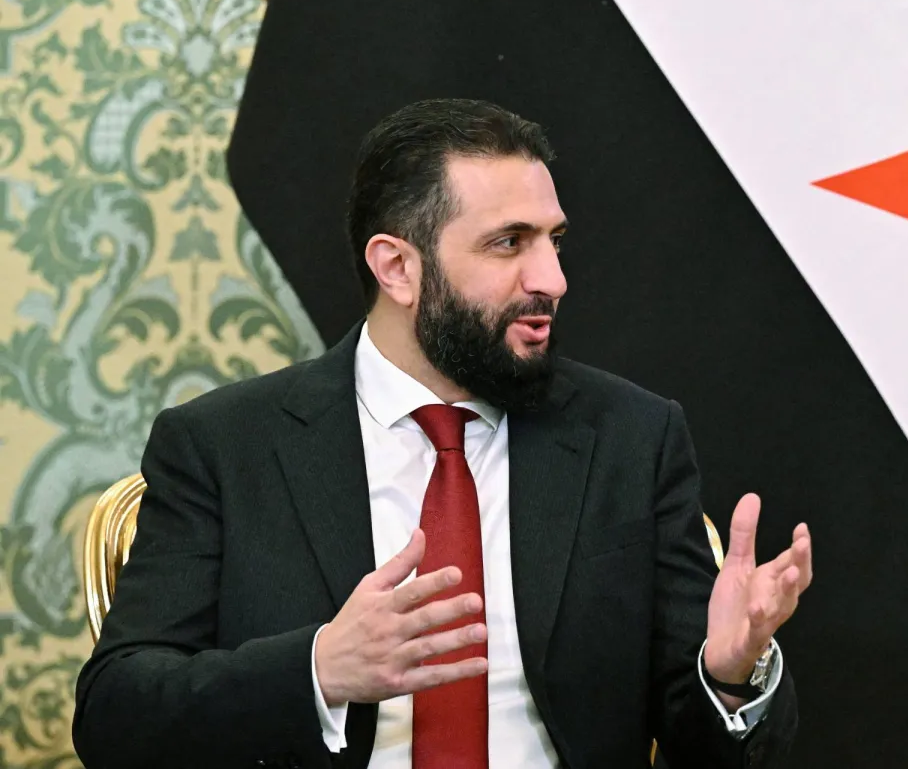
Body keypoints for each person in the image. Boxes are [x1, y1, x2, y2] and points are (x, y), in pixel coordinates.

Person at [72, 99, 810, 769]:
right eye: (509, 243)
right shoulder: (224, 447)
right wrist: (319, 669)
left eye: (554, 240)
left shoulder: (630, 437)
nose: (551, 278)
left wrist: (728, 676)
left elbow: (706, 746)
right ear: (397, 266)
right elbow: (115, 714)